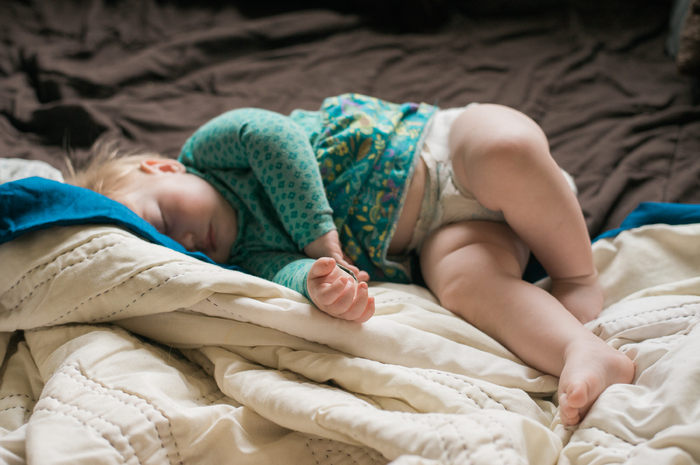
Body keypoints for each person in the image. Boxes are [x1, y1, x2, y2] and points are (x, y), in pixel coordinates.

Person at [68, 93, 634, 426]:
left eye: (167, 221)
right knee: (464, 285)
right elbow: (288, 277)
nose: (189, 242)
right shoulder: (245, 257)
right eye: (173, 249)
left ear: (164, 170)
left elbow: (274, 137)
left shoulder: (214, 151)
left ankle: (575, 271)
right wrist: (322, 283)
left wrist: (318, 236)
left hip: (443, 147)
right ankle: (579, 349)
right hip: (445, 233)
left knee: (501, 149)